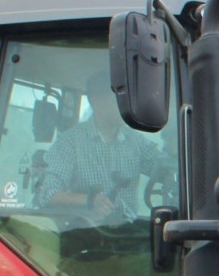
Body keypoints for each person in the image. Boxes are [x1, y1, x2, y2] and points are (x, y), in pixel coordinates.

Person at [41, 84, 164, 220]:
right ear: (96, 101)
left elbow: (165, 170)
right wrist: (90, 200)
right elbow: (48, 194)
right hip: (84, 231)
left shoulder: (136, 141)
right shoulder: (70, 142)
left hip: (129, 231)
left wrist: (173, 141)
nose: (128, 107)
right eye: (120, 100)